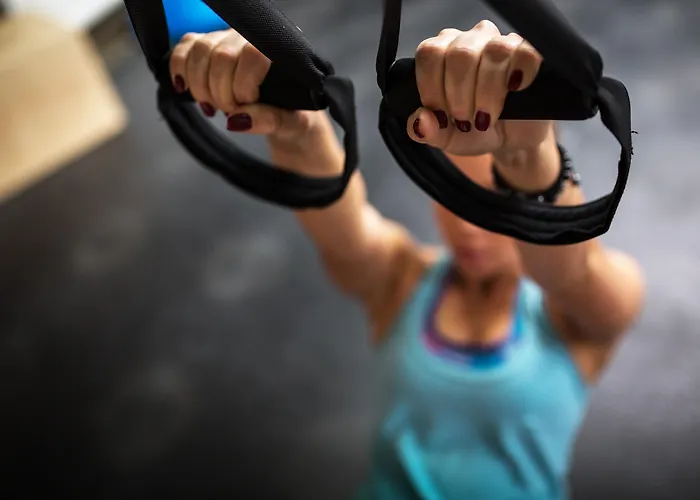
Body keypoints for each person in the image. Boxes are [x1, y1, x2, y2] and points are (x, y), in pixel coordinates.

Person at [168, 20, 645, 500]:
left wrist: (527, 159)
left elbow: (570, 270)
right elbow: (344, 230)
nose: (469, 227)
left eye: (493, 201)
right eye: (455, 197)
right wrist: (297, 129)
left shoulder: (583, 308)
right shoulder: (403, 278)